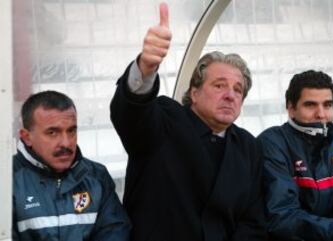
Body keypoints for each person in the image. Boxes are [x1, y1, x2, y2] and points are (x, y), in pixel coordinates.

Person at [110, 3, 267, 241]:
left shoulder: (248, 147)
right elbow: (132, 114)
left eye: (238, 89)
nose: (230, 95)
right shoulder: (165, 120)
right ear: (194, 92)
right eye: (219, 85)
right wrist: (145, 68)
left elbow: (253, 220)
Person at [12, 90, 131, 241]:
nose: (66, 143)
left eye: (71, 131)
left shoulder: (96, 176)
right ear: (26, 137)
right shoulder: (7, 181)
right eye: (52, 132)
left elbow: (115, 232)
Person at [257, 70, 333, 241]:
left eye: (327, 105)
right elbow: (282, 216)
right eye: (310, 105)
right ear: (291, 108)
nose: (320, 114)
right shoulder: (272, 144)